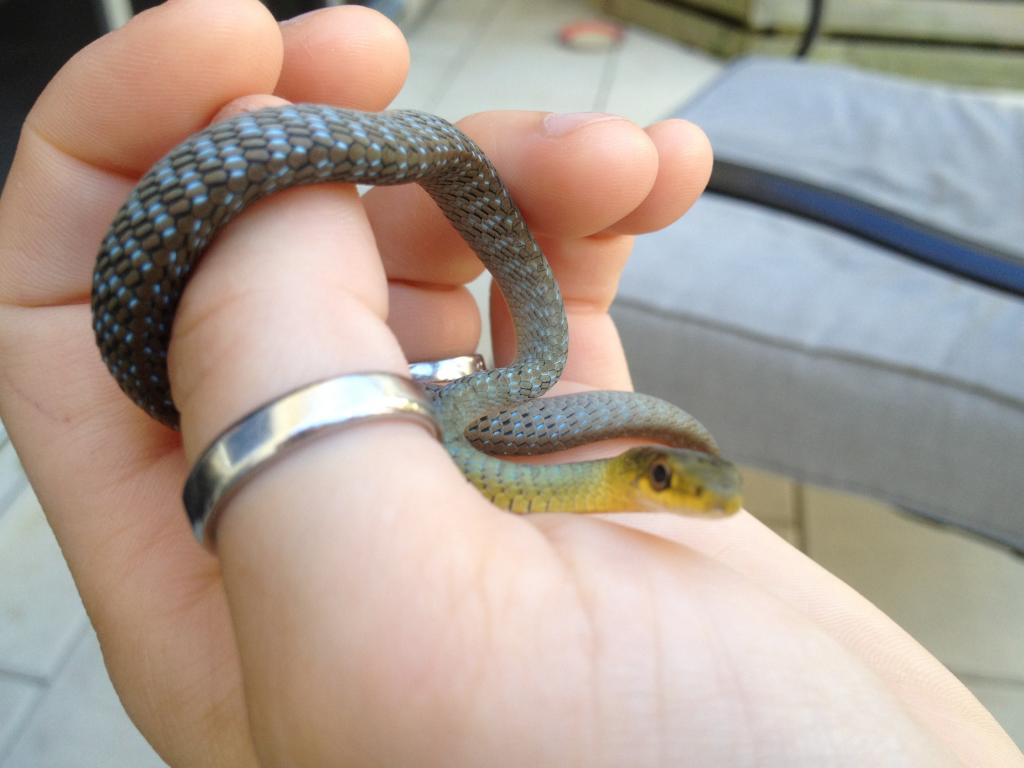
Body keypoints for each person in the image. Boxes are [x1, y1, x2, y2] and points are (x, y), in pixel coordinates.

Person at [0, 1, 1018, 765]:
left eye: (664, 478)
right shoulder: (541, 410)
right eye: (663, 474)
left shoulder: (564, 482)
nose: (672, 483)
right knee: (378, 120)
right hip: (171, 350)